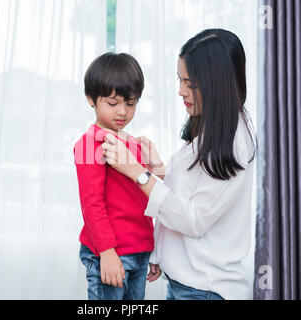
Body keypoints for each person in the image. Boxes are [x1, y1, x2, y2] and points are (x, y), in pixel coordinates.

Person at [101, 29, 257, 300]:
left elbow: (193, 219)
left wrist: (138, 173)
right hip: (188, 286)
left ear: (216, 84)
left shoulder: (235, 144)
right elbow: (196, 190)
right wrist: (159, 168)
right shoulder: (214, 126)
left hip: (205, 291)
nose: (181, 91)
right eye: (180, 80)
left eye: (191, 84)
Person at [74, 52, 154, 300]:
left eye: (130, 103)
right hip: (109, 253)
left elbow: (146, 198)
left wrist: (153, 250)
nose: (123, 111)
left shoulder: (135, 143)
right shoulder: (89, 144)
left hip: (139, 250)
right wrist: (106, 252)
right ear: (91, 98)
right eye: (113, 103)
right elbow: (91, 204)